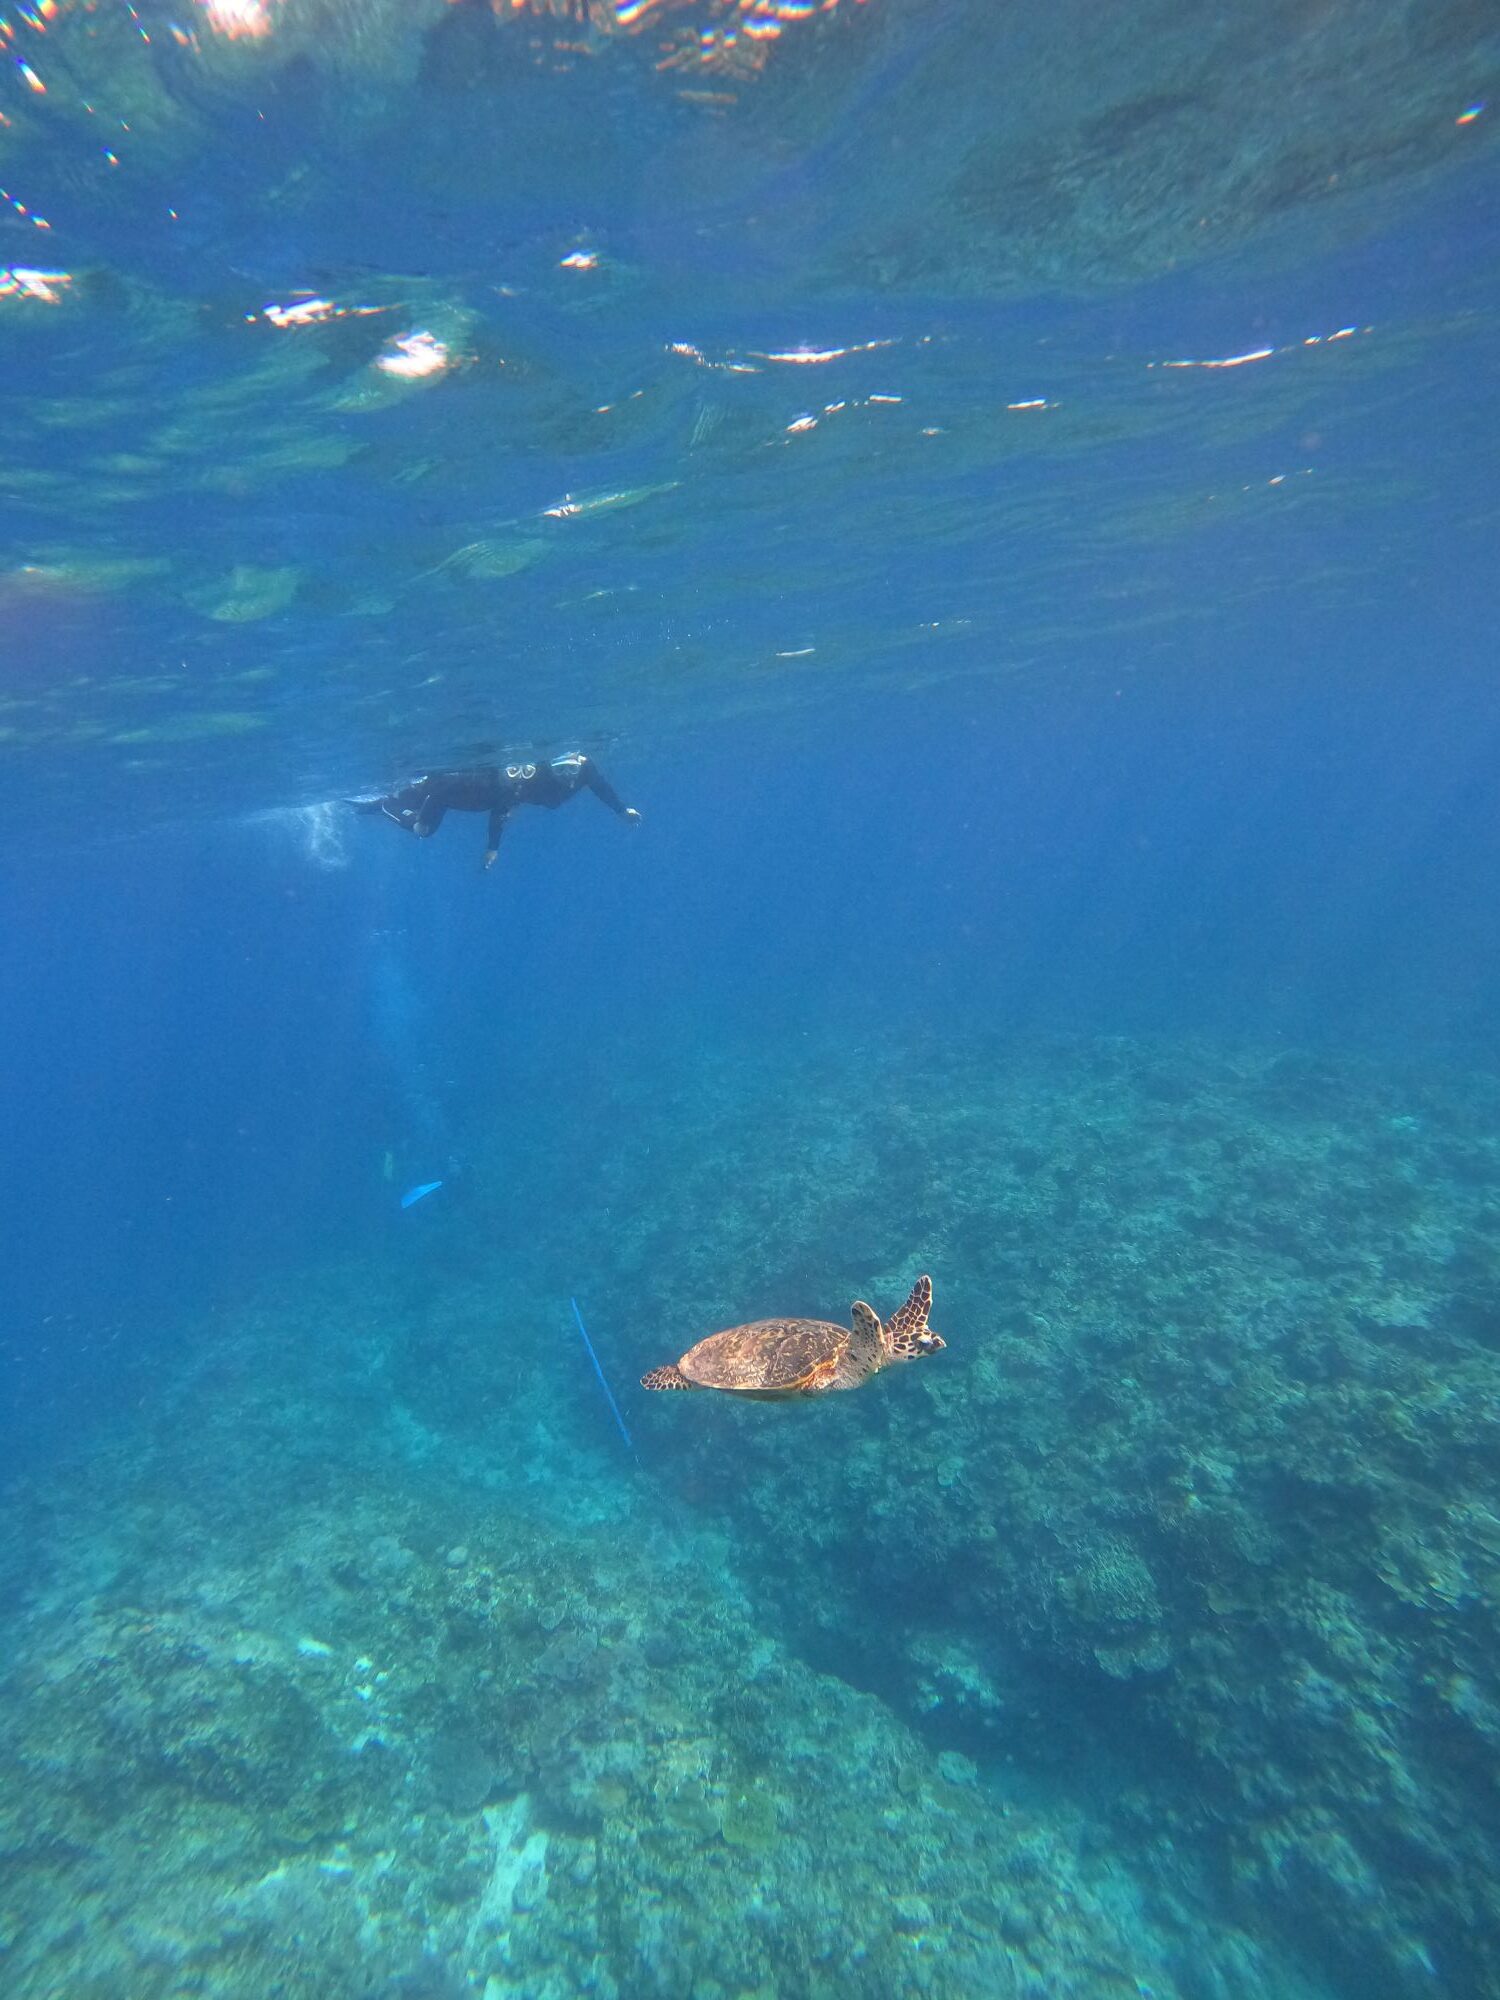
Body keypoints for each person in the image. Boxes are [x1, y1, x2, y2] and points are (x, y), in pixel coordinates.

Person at [350, 754, 640, 870]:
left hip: (465, 797)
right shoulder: (526, 777)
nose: (568, 776)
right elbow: (501, 807)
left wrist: (621, 809)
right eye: (561, 769)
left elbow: (601, 787)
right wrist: (492, 848)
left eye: (572, 769)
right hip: (447, 794)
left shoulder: (584, 770)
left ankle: (382, 803)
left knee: (421, 812)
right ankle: (382, 805)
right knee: (422, 828)